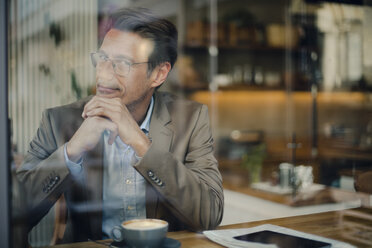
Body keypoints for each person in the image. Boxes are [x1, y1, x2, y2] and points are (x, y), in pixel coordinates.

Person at [16, 7, 224, 243]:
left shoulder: (191, 119)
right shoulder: (59, 121)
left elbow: (210, 215)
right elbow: (14, 214)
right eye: (103, 58)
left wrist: (141, 144)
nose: (103, 75)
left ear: (159, 73)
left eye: (122, 63)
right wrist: (71, 152)